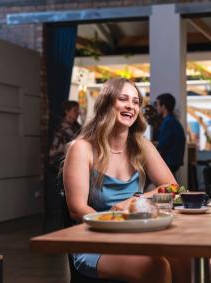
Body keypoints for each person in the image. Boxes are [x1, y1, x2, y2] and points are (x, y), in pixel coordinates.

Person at [62, 77, 175, 282]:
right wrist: (117, 225)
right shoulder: (82, 148)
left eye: (135, 102)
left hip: (136, 234)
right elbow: (76, 209)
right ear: (107, 103)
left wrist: (135, 201)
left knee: (183, 259)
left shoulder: (141, 145)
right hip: (94, 240)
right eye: (123, 99)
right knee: (156, 268)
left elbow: (173, 187)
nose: (131, 106)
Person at [45, 100, 81, 231]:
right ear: (67, 111)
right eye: (75, 111)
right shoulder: (64, 127)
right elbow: (80, 140)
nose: (78, 113)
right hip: (58, 162)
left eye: (78, 111)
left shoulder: (76, 126)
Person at [155, 93, 186, 175]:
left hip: (169, 162)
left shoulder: (168, 123)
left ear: (164, 106)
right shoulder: (174, 121)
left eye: (158, 105)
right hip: (175, 162)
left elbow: (163, 146)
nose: (156, 108)